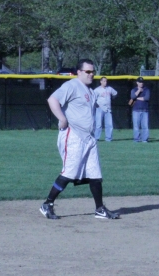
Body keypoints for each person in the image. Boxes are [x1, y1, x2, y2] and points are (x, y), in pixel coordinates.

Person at [40, 59, 119, 220]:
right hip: (74, 135)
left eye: (93, 71)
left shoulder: (90, 90)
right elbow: (52, 100)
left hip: (89, 138)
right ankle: (47, 204)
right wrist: (62, 118)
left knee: (95, 174)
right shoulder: (72, 85)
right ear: (79, 72)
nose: (91, 74)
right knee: (69, 172)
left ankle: (99, 209)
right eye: (88, 71)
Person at [93, 76, 117, 141]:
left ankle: (108, 138)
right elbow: (93, 98)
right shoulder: (97, 90)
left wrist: (112, 99)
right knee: (98, 125)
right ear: (100, 82)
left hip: (108, 109)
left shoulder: (109, 88)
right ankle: (96, 138)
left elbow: (115, 93)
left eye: (106, 81)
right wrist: (96, 105)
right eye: (104, 81)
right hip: (100, 108)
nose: (105, 82)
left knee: (109, 124)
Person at [130, 77, 150, 142]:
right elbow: (132, 96)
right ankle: (137, 139)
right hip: (136, 110)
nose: (141, 83)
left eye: (142, 82)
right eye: (140, 82)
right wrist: (138, 91)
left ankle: (145, 140)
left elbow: (147, 98)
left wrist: (137, 98)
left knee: (145, 126)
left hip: (145, 110)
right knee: (136, 126)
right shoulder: (134, 89)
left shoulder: (146, 89)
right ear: (137, 83)